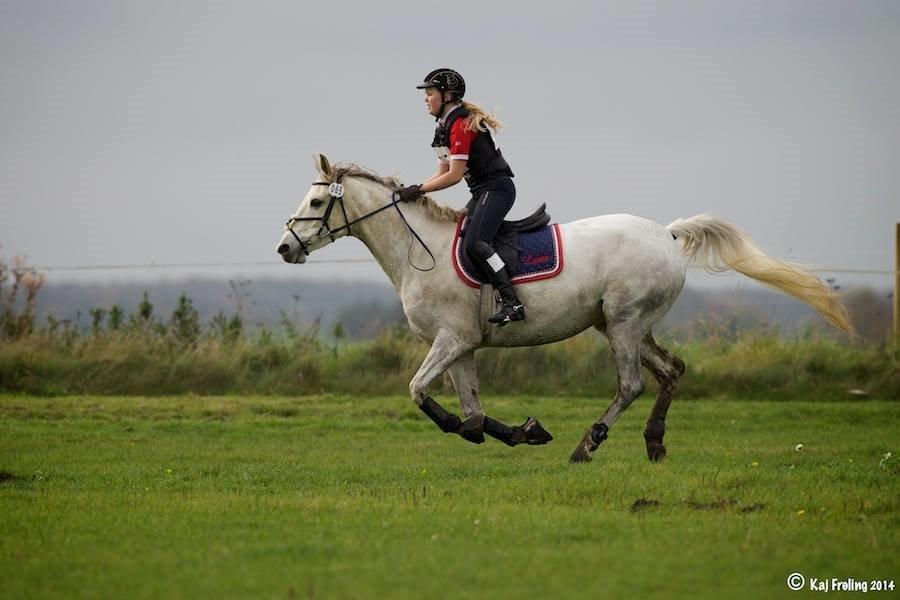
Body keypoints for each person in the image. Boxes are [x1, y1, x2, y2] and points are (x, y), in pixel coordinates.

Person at [397, 68, 525, 326]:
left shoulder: (460, 125)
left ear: (447, 96)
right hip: (482, 191)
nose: (426, 98)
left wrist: (420, 189)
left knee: (476, 243)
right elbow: (441, 173)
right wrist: (415, 188)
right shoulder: (443, 127)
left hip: (497, 189)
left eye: (430, 93)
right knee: (460, 234)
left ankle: (513, 303)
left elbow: (454, 176)